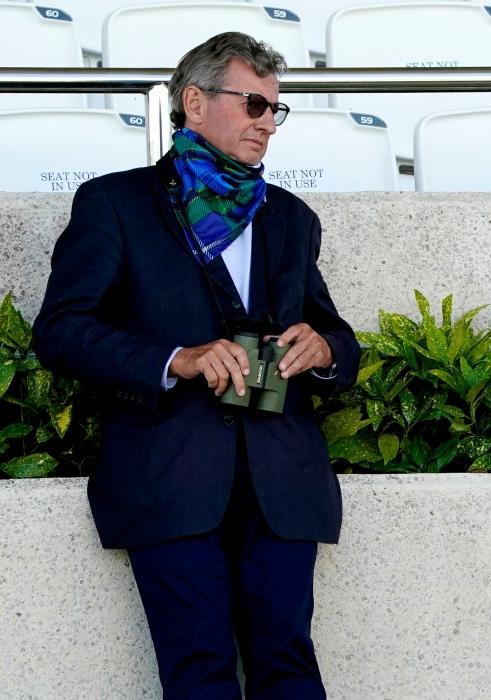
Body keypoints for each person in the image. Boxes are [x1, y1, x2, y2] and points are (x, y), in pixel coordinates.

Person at [33, 32, 359, 698]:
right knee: (198, 672)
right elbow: (62, 331)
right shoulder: (115, 204)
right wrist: (175, 359)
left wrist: (326, 350)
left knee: (290, 667)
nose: (268, 124)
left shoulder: (291, 217)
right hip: (170, 474)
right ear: (195, 102)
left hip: (282, 479)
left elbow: (336, 336)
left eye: (275, 109)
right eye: (253, 105)